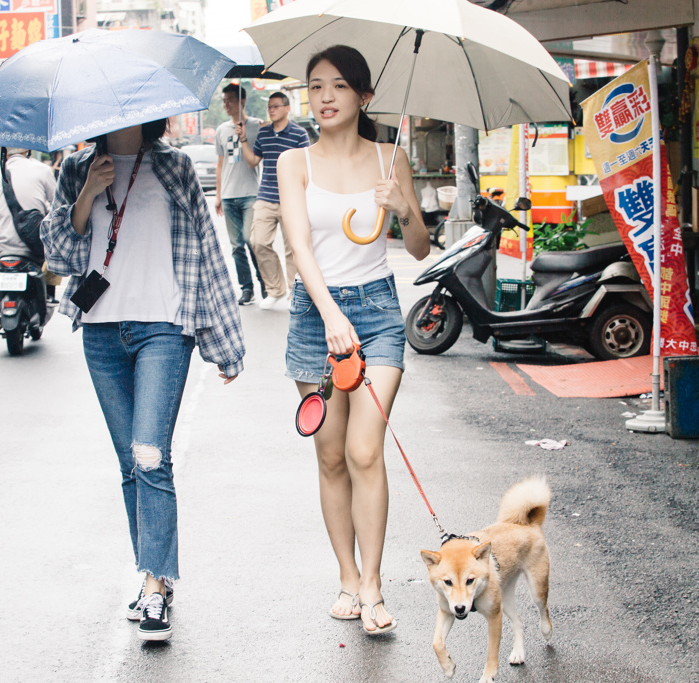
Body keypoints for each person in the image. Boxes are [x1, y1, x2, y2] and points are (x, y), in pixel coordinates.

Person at [40, 120, 245, 643]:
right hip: (102, 333)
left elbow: (207, 251)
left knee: (151, 454)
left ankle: (156, 587)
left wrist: (224, 342)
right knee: (130, 461)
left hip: (163, 327)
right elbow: (61, 256)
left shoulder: (173, 166)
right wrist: (87, 193)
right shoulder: (76, 169)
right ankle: (151, 572)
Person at [276, 45, 429, 635]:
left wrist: (405, 208)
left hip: (379, 312)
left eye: (339, 86)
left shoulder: (392, 159)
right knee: (332, 454)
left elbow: (417, 248)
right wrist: (330, 314)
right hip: (318, 316)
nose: (325, 97)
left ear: (364, 97)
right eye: (315, 87)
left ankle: (373, 582)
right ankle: (346, 575)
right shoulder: (296, 163)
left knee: (368, 449)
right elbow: (299, 248)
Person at [237, 91, 311, 310]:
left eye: (276, 106)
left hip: (292, 198)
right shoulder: (264, 133)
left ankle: (293, 295)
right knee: (257, 241)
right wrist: (243, 140)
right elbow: (253, 161)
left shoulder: (299, 134)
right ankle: (275, 290)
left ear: (287, 108)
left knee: (293, 249)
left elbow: (306, 164)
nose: (271, 109)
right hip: (266, 196)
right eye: (269, 106)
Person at [0, 148, 61, 299]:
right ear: (27, 150)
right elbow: (58, 204)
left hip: (0, 245)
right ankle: (48, 292)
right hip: (36, 244)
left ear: (3, 151)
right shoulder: (43, 170)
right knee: (57, 248)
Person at [215, 83, 267, 306]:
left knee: (251, 239)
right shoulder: (221, 130)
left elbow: (260, 157)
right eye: (224, 101)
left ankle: (264, 281)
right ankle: (247, 289)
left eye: (230, 100)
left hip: (250, 194)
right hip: (228, 195)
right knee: (236, 246)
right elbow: (220, 164)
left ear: (242, 102)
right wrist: (218, 195)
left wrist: (245, 134)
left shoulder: (257, 126)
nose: (226, 105)